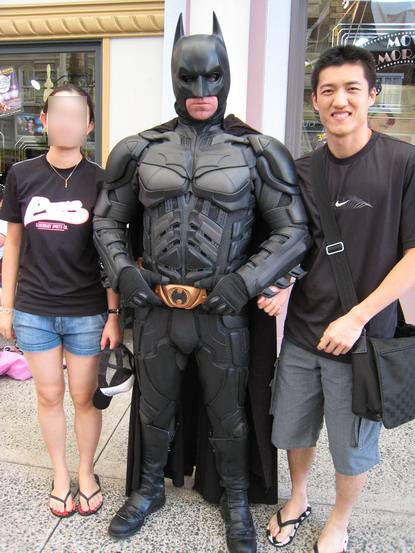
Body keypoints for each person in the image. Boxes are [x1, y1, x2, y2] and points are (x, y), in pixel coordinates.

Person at [93, 13, 310, 553]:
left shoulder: (257, 152)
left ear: (226, 75)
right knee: (152, 409)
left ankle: (236, 499)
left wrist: (245, 282)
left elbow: (294, 231)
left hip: (222, 312)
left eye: (212, 77)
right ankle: (148, 490)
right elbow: (106, 221)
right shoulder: (139, 150)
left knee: (229, 413)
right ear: (173, 78)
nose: (201, 91)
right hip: (157, 308)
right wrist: (124, 272)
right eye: (188, 78)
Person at [259, 45, 415, 553]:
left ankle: (340, 521)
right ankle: (299, 498)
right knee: (294, 428)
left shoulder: (402, 163)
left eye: (352, 89)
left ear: (373, 94)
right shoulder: (303, 170)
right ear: (315, 100)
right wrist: (283, 284)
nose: (339, 100)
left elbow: (413, 254)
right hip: (304, 331)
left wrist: (357, 317)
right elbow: (300, 244)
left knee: (352, 445)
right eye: (328, 90)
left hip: (364, 338)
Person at [0, 84, 122, 518]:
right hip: (33, 308)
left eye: (76, 116)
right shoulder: (21, 175)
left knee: (84, 397)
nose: (66, 123)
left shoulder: (103, 180)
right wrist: (6, 306)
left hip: (87, 310)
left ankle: (86, 472)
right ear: (44, 121)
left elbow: (111, 252)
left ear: (89, 125)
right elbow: (13, 245)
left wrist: (113, 313)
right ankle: (60, 474)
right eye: (58, 114)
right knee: (49, 395)